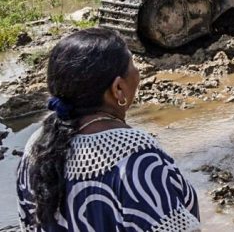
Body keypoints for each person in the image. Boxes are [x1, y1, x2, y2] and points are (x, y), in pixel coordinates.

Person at [16, 28, 200, 231]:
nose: (138, 72)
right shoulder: (137, 157)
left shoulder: (36, 146)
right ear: (118, 88)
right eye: (133, 64)